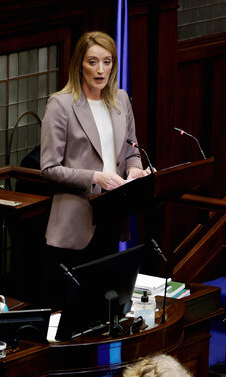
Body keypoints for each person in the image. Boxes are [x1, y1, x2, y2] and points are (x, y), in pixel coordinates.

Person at [39, 31, 150, 308]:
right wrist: (95, 177)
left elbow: (131, 150)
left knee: (104, 309)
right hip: (75, 224)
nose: (101, 70)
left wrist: (135, 170)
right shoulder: (61, 104)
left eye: (107, 61)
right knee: (71, 311)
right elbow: (48, 168)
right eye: (92, 62)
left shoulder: (121, 100)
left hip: (111, 216)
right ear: (79, 64)